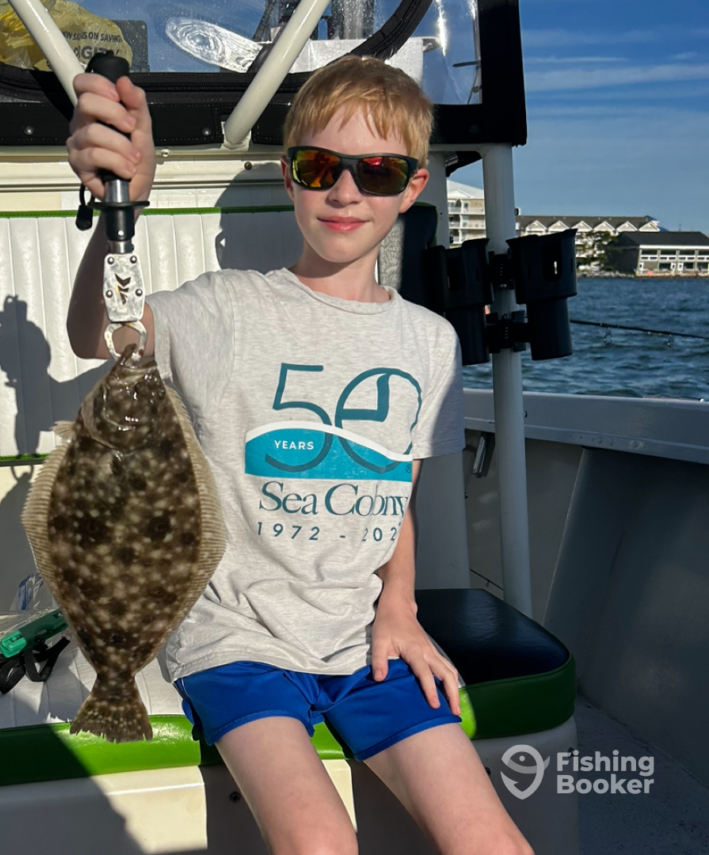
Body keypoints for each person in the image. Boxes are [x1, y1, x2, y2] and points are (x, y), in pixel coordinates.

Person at [65, 55, 533, 855]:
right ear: (290, 176)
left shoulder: (431, 342)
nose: (347, 192)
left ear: (413, 188)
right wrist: (121, 208)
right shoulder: (223, 306)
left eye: (378, 172)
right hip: (237, 639)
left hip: (364, 640)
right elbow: (96, 333)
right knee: (320, 844)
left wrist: (401, 610)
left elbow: (397, 490)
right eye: (321, 167)